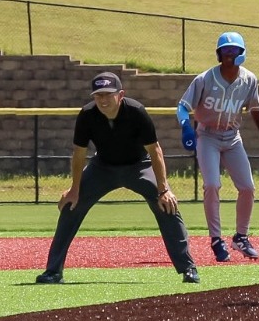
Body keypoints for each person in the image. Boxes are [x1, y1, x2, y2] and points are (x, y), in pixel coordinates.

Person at [36, 72, 200, 284]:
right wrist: (74, 189)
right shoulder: (87, 114)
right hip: (102, 167)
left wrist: (163, 188)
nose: (103, 100)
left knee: (167, 205)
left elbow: (155, 151)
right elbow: (79, 153)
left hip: (138, 167)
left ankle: (188, 268)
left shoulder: (136, 111)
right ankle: (53, 271)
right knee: (71, 206)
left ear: (120, 94)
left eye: (108, 94)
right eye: (98, 95)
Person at [176, 31, 259, 262]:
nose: (230, 54)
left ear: (242, 53)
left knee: (248, 187)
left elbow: (256, 110)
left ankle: (241, 237)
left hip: (233, 137)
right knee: (212, 184)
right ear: (218, 54)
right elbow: (182, 107)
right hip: (207, 136)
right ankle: (215, 239)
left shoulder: (249, 79)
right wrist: (186, 127)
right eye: (225, 50)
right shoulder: (204, 79)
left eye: (234, 50)